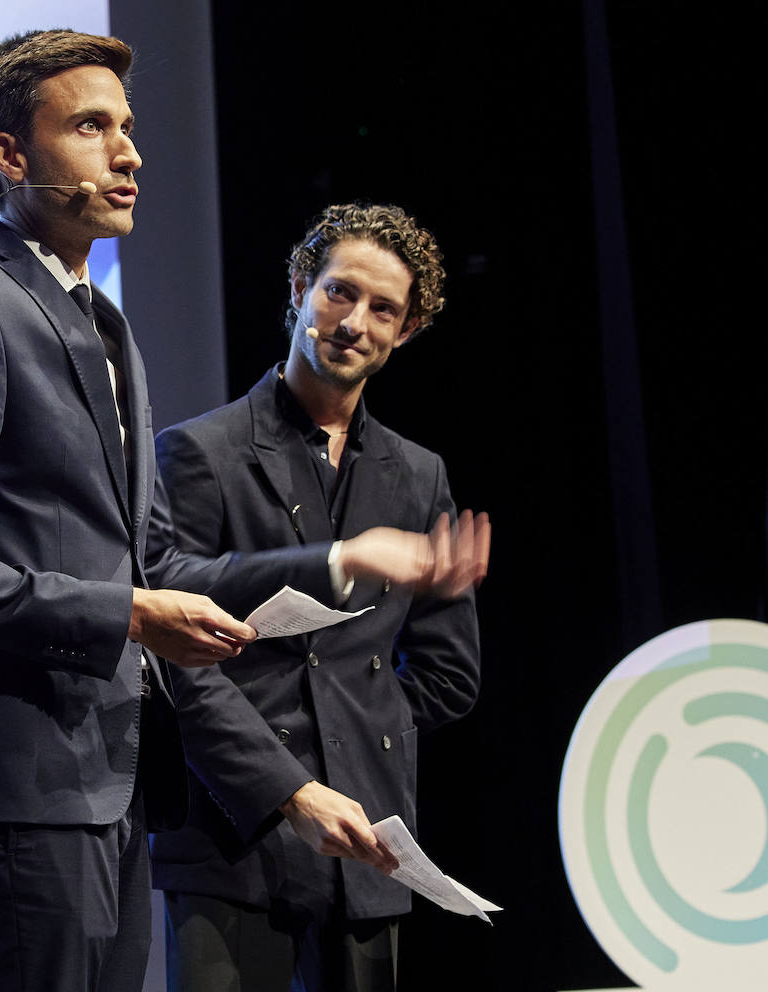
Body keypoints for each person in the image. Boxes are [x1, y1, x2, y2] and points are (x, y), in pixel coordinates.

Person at [0, 32, 483, 992]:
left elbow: (160, 569)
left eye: (128, 126)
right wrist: (125, 613)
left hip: (111, 779)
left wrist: (337, 561)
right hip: (19, 777)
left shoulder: (104, 324)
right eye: (91, 127)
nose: (129, 153)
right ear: (9, 154)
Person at [149, 203, 489, 992]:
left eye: (383, 309)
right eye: (339, 293)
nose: (353, 321)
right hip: (230, 830)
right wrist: (287, 771)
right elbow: (169, 637)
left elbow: (448, 676)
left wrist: (356, 733)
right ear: (301, 288)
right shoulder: (201, 452)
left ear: (405, 332)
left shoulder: (416, 474)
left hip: (366, 838)